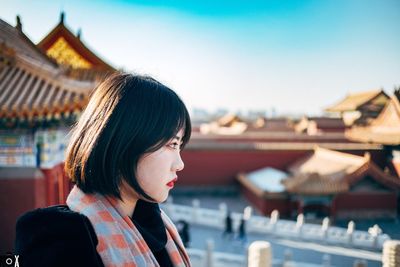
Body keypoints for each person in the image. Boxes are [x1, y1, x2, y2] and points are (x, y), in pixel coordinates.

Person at [14, 73, 192, 267]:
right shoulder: (62, 240)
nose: (180, 164)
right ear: (126, 142)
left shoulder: (157, 228)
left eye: (179, 145)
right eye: (172, 144)